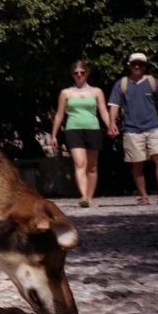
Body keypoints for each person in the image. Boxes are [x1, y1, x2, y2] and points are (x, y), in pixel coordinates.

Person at [107, 53, 158, 205]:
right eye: (134, 64)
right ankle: (143, 195)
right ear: (129, 65)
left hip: (154, 125)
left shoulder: (153, 82)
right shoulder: (122, 84)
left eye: (141, 64)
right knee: (137, 162)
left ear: (145, 66)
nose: (137, 67)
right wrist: (112, 123)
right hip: (132, 128)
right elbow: (114, 105)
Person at [51, 61, 111, 207]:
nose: (79, 75)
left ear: (87, 73)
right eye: (76, 73)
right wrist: (53, 134)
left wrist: (111, 126)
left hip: (92, 129)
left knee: (92, 166)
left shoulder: (96, 92)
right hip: (73, 129)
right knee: (80, 163)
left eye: (82, 72)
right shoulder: (66, 93)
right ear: (72, 75)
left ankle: (90, 197)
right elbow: (59, 115)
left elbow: (103, 110)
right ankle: (83, 196)